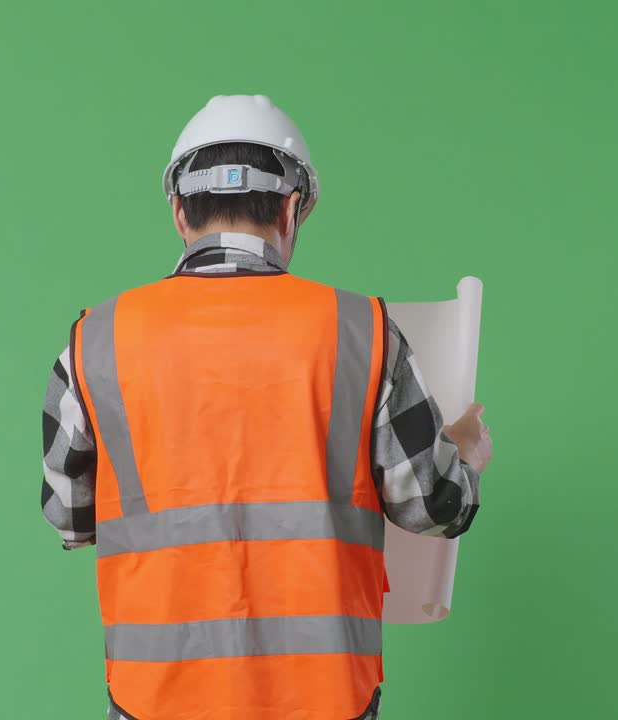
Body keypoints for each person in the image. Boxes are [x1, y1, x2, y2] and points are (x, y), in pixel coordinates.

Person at [41, 95, 493, 720]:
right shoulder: (363, 330)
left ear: (178, 210)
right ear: (291, 207)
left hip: (156, 699)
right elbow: (435, 508)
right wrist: (463, 451)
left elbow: (70, 518)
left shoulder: (94, 339)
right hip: (324, 698)